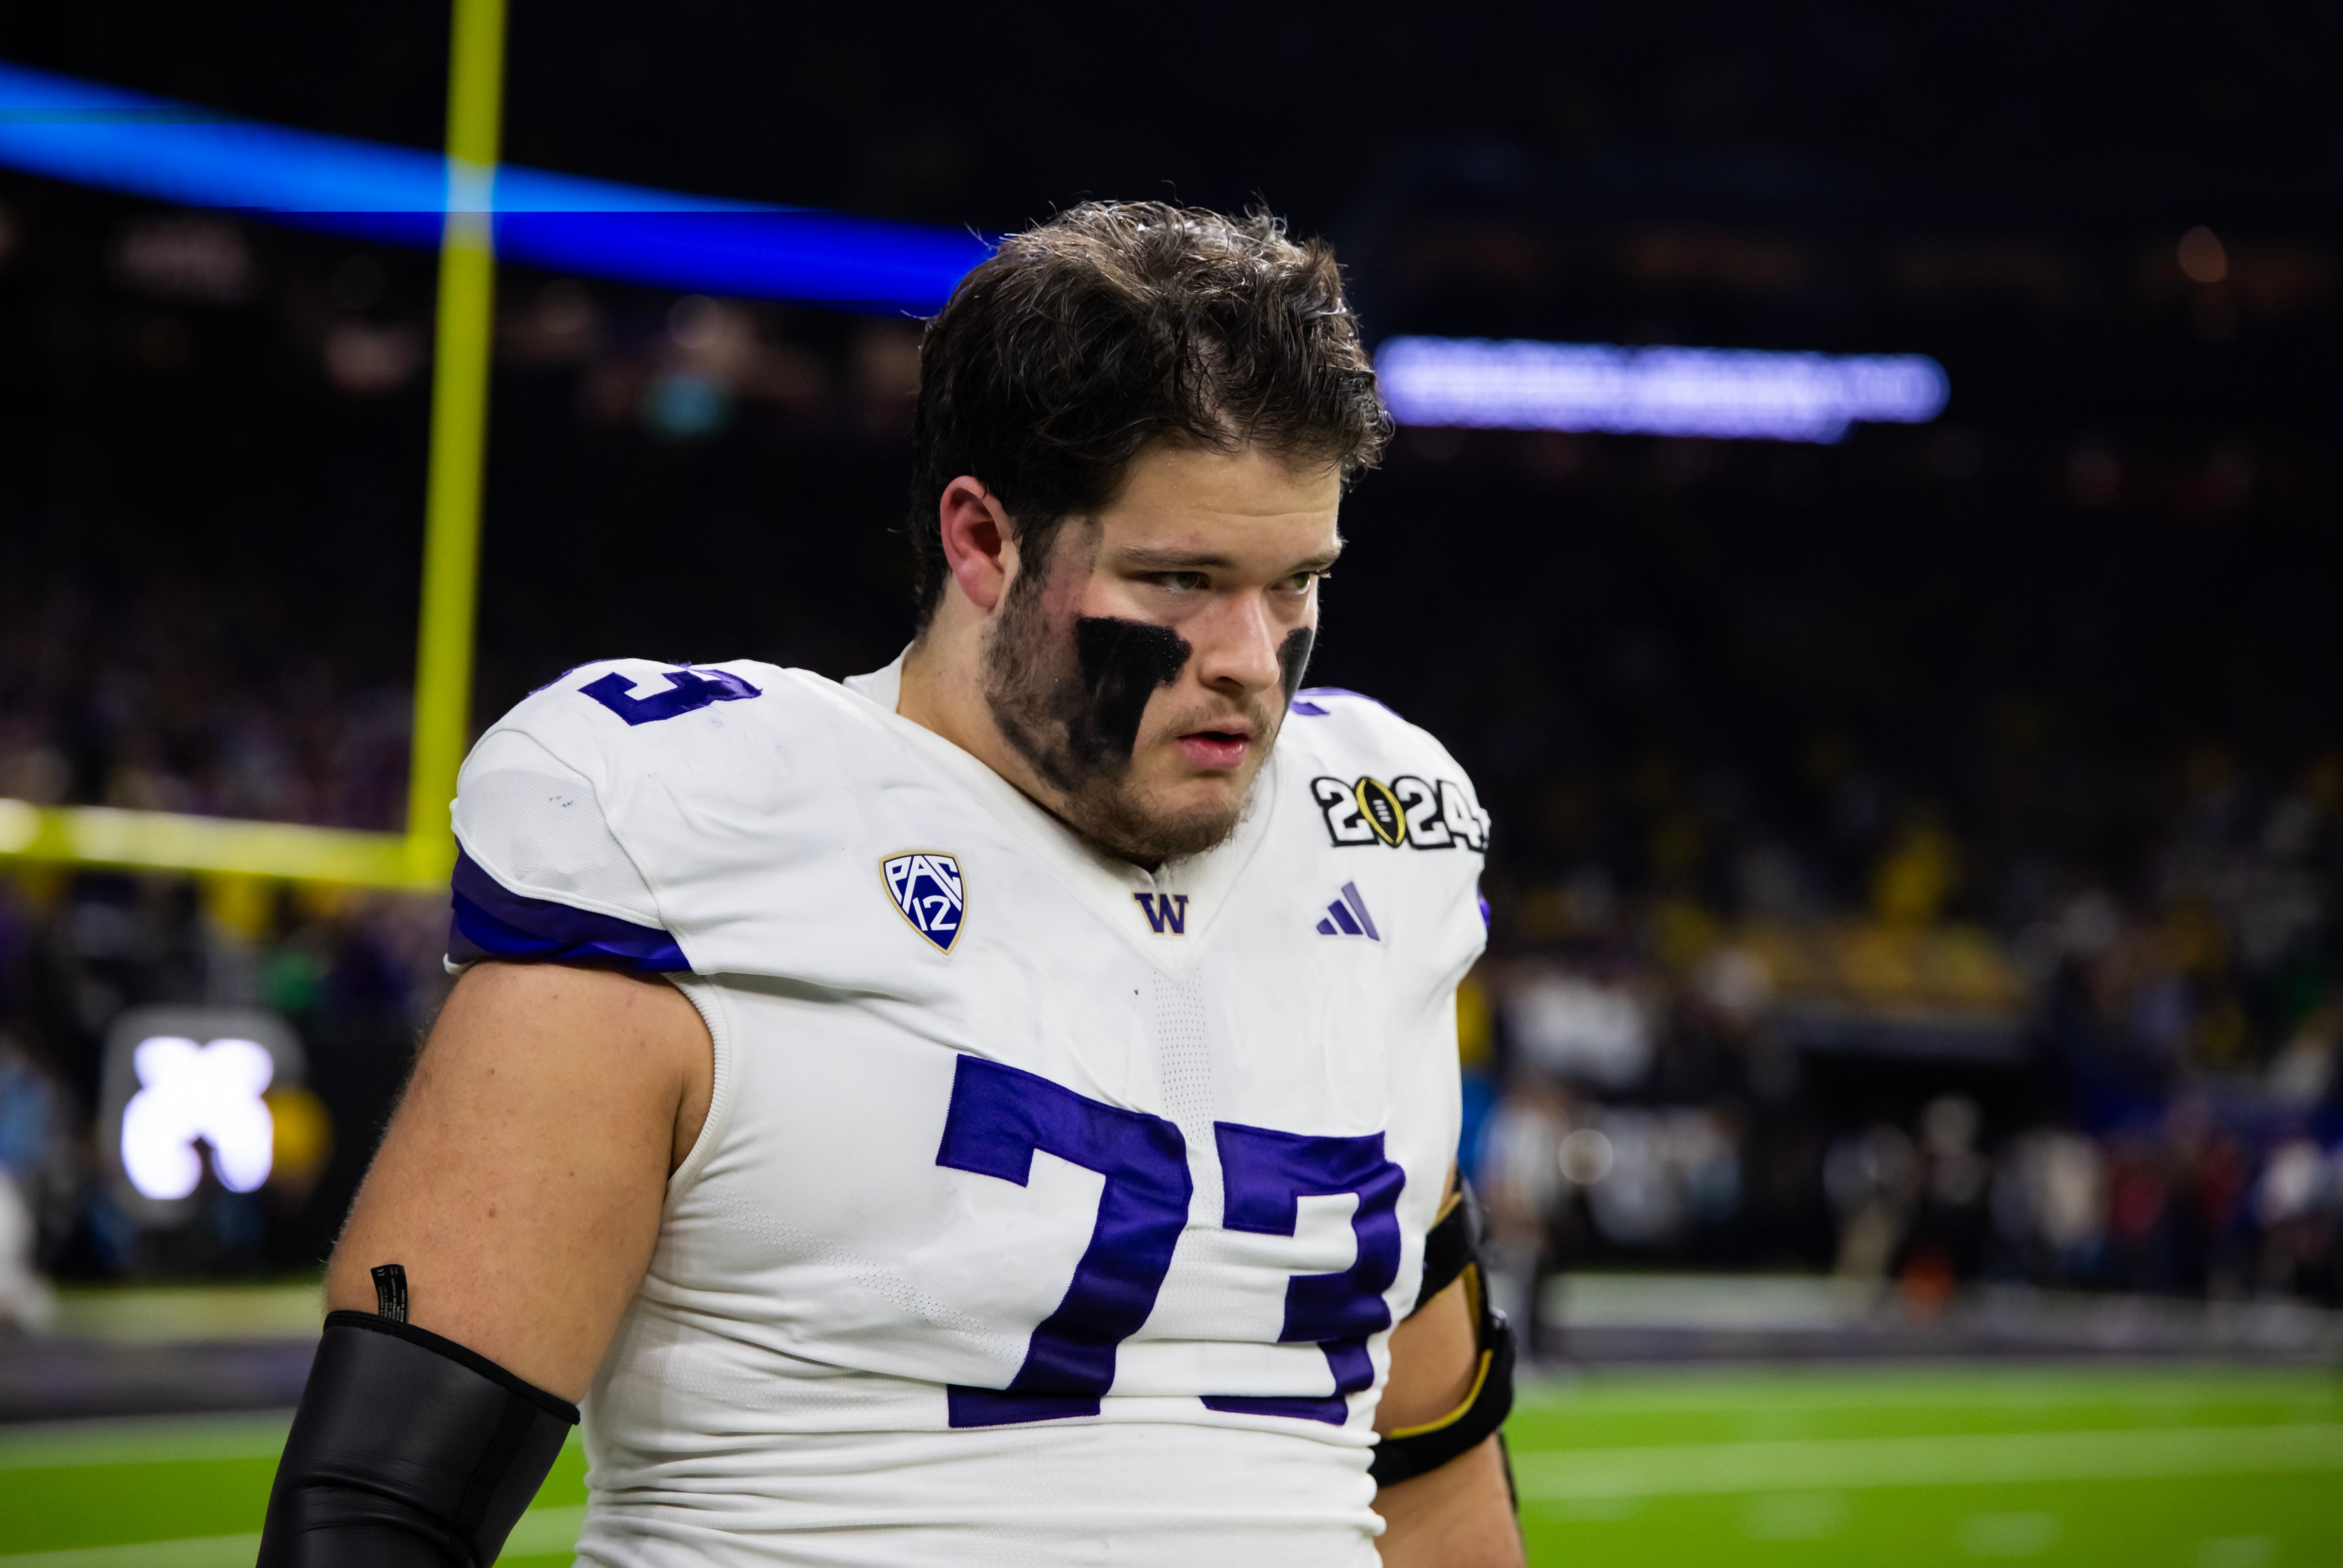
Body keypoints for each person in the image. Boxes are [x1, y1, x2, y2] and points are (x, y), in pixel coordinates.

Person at [258, 203, 1521, 1568]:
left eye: (1295, 585)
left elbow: (1434, 1466)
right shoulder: (710, 826)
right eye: (1180, 579)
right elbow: (380, 1514)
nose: (1252, 657)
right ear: (983, 539)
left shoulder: (1380, 844)